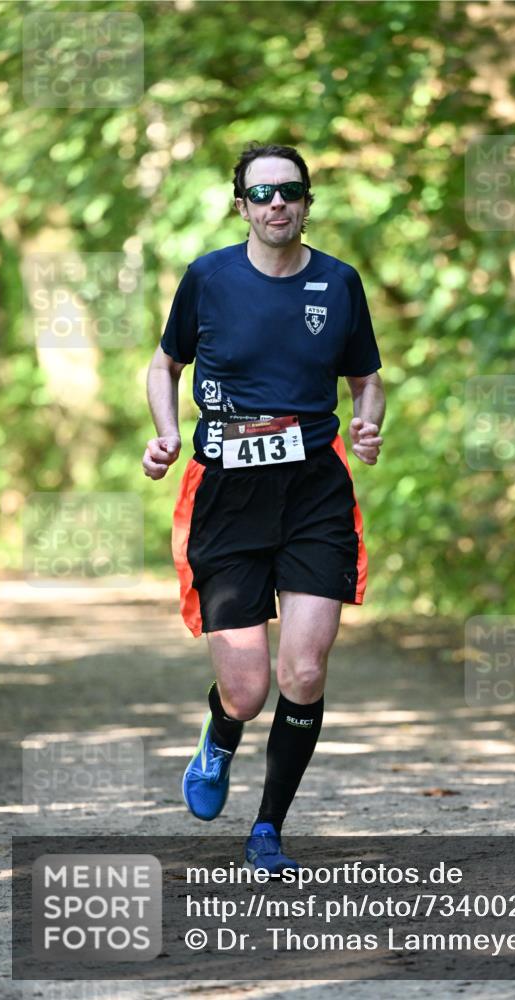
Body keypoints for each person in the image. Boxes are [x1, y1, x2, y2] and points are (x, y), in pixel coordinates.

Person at [142, 142, 384, 874]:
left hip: (313, 487)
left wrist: (370, 422)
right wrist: (166, 433)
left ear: (307, 202)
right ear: (240, 204)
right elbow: (165, 364)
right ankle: (219, 736)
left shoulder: (339, 283)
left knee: (302, 673)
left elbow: (366, 379)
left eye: (290, 190)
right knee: (246, 692)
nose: (277, 202)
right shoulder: (207, 278)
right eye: (262, 192)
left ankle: (267, 828)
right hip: (227, 492)